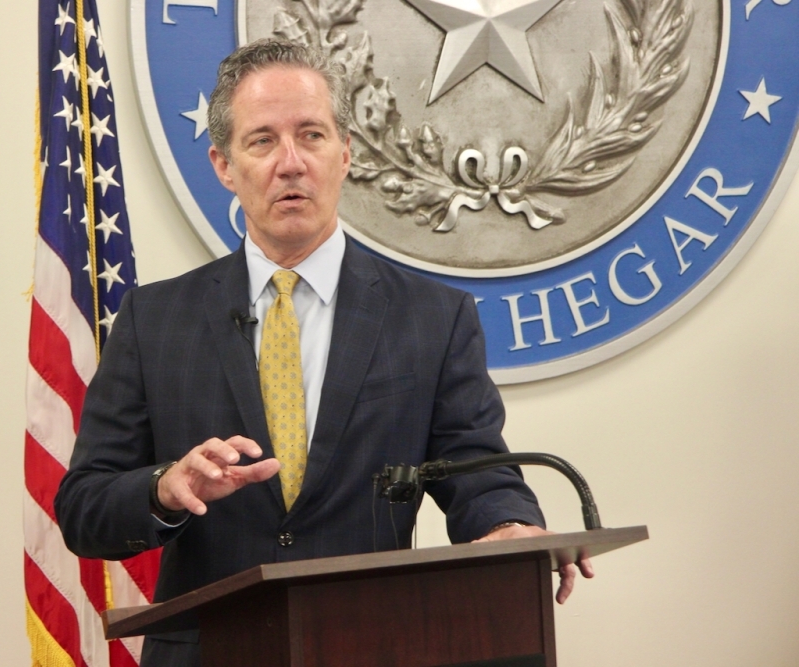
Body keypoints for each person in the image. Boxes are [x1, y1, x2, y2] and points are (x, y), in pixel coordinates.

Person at [55, 38, 593, 666]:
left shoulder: (432, 317)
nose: (290, 163)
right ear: (224, 165)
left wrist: (508, 528)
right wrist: (164, 490)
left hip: (377, 645)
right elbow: (82, 507)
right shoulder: (154, 321)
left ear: (346, 154)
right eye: (262, 141)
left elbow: (476, 468)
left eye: (310, 135)